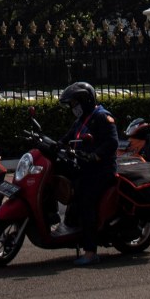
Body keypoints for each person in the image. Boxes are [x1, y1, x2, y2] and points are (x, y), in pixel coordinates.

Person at [56, 81, 119, 266]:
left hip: (102, 170)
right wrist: (53, 145)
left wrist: (95, 156)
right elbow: (67, 138)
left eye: (75, 103)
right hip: (86, 168)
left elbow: (112, 143)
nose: (73, 107)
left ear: (86, 100)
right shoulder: (82, 119)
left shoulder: (102, 117)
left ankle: (91, 252)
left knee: (86, 201)